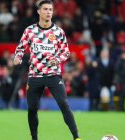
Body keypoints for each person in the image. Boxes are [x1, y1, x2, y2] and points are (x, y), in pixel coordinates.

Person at [13, 0, 81, 140]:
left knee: (63, 104)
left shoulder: (58, 32)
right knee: (32, 109)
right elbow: (20, 48)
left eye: (50, 9)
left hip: (53, 75)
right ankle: (34, 138)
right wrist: (18, 57)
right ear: (39, 11)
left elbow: (66, 52)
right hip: (35, 75)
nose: (48, 12)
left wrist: (57, 59)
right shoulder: (30, 30)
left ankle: (76, 137)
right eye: (45, 9)